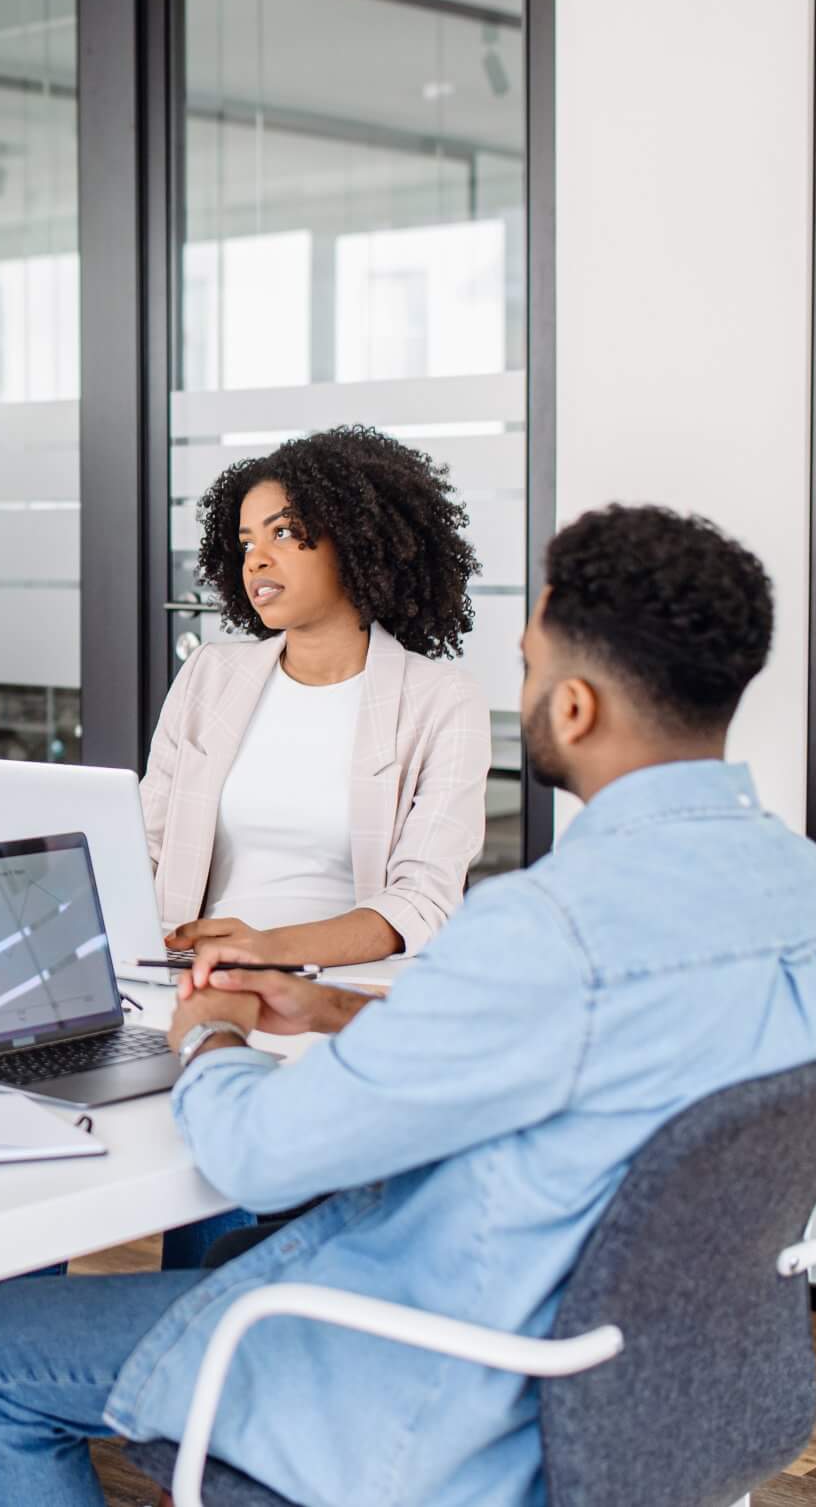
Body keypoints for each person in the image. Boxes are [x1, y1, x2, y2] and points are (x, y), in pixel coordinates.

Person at [0, 503, 816, 1507]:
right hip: (651, 1386)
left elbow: (258, 1154)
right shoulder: (802, 887)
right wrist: (340, 1015)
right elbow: (609, 1049)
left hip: (450, 1395)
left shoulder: (546, 926)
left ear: (574, 709)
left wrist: (209, 1032)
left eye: (531, 665)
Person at [139, 425, 492, 1268]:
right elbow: (145, 840)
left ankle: (195, 1352)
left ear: (360, 543)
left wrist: (268, 951)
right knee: (43, 1127)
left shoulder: (440, 700)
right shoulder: (212, 678)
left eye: (288, 534)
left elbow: (422, 902)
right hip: (187, 977)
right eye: (246, 541)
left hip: (324, 1001)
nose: (259, 559)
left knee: (220, 1204)